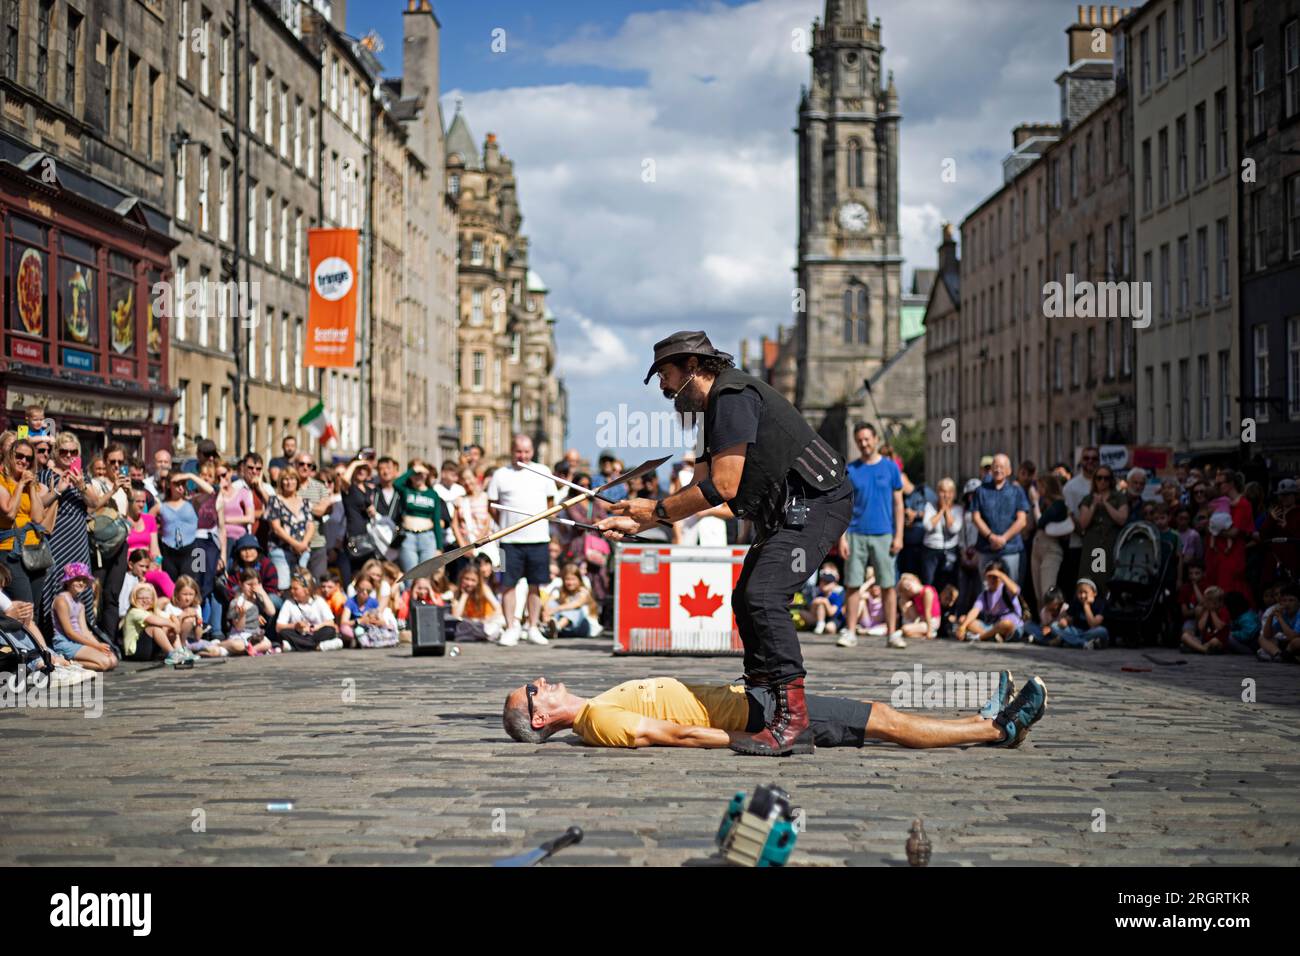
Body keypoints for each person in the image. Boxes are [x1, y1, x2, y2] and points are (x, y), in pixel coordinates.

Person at [597, 330, 853, 757]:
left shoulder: (732, 395)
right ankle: (764, 703)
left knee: (764, 595)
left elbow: (724, 486)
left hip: (818, 502)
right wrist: (635, 519)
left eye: (665, 374)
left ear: (692, 368)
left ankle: (794, 722)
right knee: (744, 598)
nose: (662, 386)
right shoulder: (711, 414)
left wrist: (655, 510)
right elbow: (698, 487)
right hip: (788, 510)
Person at [501, 671, 1048, 750]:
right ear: (540, 717)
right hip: (758, 721)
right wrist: (754, 741)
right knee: (882, 719)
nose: (540, 682)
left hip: (754, 705)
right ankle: (996, 727)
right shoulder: (597, 721)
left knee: (877, 717)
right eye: (532, 691)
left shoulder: (594, 710)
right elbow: (672, 734)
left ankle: (984, 723)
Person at [838, 422, 904, 649]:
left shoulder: (890, 467)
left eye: (867, 439)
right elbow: (844, 505)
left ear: (876, 439)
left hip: (884, 533)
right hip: (856, 532)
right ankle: (851, 631)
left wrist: (899, 535)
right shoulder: (852, 470)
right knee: (853, 583)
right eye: (860, 441)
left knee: (888, 584)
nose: (864, 444)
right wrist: (842, 537)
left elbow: (898, 504)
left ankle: (892, 633)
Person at [486, 434, 556, 647]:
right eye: (519, 451)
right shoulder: (500, 474)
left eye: (526, 452)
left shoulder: (543, 472)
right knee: (507, 585)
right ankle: (511, 628)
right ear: (512, 451)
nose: (522, 456)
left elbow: (551, 503)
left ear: (532, 452)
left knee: (535, 585)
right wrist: (507, 526)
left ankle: (533, 627)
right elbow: (493, 506)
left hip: (539, 539)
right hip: (508, 541)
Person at [36, 431, 102, 633]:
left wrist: (81, 485)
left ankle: (81, 630)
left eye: (73, 452)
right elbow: (39, 504)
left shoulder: (82, 475)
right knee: (54, 578)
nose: (69, 455)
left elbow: (94, 504)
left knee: (80, 579)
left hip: (77, 535)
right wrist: (59, 488)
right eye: (64, 451)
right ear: (56, 452)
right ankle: (52, 632)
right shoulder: (46, 475)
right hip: (55, 533)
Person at [0, 438, 50, 607]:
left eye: (28, 459)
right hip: (10, 551)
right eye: (19, 456)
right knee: (24, 607)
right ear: (9, 455)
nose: (23, 461)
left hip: (34, 552)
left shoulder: (31, 484)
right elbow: (9, 514)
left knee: (32, 610)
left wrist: (31, 487)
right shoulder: (2, 480)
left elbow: (37, 518)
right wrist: (20, 485)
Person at [970, 453, 1030, 585]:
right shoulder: (980, 491)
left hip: (1011, 548)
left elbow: (1022, 520)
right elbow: (975, 517)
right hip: (986, 548)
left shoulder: (1017, 491)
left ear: (1009, 470)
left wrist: (1003, 538)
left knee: (1012, 587)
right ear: (991, 469)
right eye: (995, 466)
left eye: (1002, 467)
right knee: (986, 589)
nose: (998, 470)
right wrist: (991, 536)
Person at [49, 563, 117, 672]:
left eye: (84, 580)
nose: (81, 583)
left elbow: (84, 631)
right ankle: (66, 662)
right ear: (68, 581)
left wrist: (98, 644)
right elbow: (69, 632)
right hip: (65, 642)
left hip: (79, 642)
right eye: (77, 579)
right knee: (104, 663)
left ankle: (72, 662)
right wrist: (96, 646)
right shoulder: (61, 600)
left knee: (113, 661)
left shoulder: (80, 604)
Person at [1076, 465, 1128, 597]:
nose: (1103, 481)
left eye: (1106, 478)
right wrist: (1094, 505)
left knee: (1108, 577)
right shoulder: (1088, 499)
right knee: (1091, 578)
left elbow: (1122, 519)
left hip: (1110, 544)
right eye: (1099, 478)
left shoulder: (1119, 497)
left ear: (1111, 480)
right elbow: (1083, 523)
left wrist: (1106, 504)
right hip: (1093, 545)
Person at [266, 469, 315, 590]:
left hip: (302, 551)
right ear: (281, 482)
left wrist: (303, 544)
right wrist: (295, 544)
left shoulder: (305, 501)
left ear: (297, 481)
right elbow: (276, 528)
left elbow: (311, 525)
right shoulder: (275, 500)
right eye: (285, 479)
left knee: (302, 587)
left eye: (292, 479)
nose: (289, 482)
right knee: (284, 586)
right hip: (281, 551)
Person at [956, 560, 1026, 643]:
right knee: (963, 619)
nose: (992, 580)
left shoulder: (1006, 589)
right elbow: (975, 610)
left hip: (1011, 627)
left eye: (995, 577)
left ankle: (982, 637)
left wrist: (1000, 574)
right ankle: (991, 636)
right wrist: (963, 626)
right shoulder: (984, 594)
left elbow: (1015, 591)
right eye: (990, 576)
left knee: (1005, 624)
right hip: (992, 626)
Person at [1061, 447, 1100, 592]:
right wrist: (1084, 535)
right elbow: (1070, 515)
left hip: (1099, 547)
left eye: (1094, 458)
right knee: (1080, 585)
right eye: (1086, 458)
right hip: (1078, 545)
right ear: (1081, 461)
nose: (1090, 461)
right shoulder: (1071, 486)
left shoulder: (1105, 482)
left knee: (1098, 580)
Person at [1029, 473, 1071, 607]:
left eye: (1040, 487)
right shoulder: (1045, 504)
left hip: (1050, 549)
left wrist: (1035, 502)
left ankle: (1052, 623)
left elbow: (1041, 522)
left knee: (1047, 590)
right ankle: (1043, 623)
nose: (1037, 490)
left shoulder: (1058, 504)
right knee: (1037, 593)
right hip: (1037, 547)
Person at [120, 582, 188, 664]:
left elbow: (171, 616)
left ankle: (180, 651)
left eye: (148, 598)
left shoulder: (151, 611)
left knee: (168, 628)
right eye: (141, 598)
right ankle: (172, 654)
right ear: (134, 599)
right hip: (134, 653)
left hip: (148, 651)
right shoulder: (134, 612)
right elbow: (154, 620)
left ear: (153, 600)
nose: (145, 601)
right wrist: (173, 624)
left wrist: (175, 624)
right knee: (154, 628)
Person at [397, 464, 447, 574]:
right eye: (415, 475)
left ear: (426, 476)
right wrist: (412, 470)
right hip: (408, 536)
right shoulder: (406, 490)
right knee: (410, 574)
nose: (417, 477)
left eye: (421, 474)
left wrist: (439, 547)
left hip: (427, 537)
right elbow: (396, 483)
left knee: (425, 575)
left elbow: (437, 521)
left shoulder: (433, 494)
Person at [276, 573, 343, 651]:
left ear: (306, 590)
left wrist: (316, 627)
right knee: (283, 632)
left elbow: (330, 622)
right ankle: (317, 646)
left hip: (315, 634)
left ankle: (296, 647)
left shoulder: (318, 600)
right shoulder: (289, 603)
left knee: (330, 630)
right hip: (299, 634)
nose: (292, 591)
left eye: (295, 589)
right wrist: (295, 626)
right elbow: (278, 627)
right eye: (291, 588)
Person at [920, 477, 963, 593]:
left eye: (949, 492)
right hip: (931, 550)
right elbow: (928, 526)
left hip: (950, 550)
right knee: (929, 583)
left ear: (953, 494)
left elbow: (954, 528)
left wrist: (947, 510)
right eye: (943, 491)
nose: (946, 495)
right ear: (938, 492)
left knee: (949, 584)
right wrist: (940, 511)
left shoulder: (958, 509)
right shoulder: (930, 507)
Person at [225, 569, 277, 656]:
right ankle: (243, 648)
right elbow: (238, 627)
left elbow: (272, 612)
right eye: (249, 584)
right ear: (241, 584)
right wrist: (242, 615)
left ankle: (251, 649)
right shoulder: (237, 602)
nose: (252, 587)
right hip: (241, 635)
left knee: (267, 643)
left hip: (255, 636)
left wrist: (262, 592)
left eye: (255, 584)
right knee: (239, 645)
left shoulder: (258, 597)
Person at [541, 563, 599, 639]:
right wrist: (547, 614)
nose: (570, 583)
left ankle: (557, 627)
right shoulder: (560, 590)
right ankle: (549, 626)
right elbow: (548, 602)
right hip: (566, 630)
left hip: (583, 627)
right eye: (567, 579)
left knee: (575, 609)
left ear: (579, 579)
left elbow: (576, 604)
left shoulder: (583, 592)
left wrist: (556, 609)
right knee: (552, 603)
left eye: (573, 579)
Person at [1048, 578, 1110, 649]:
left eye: (1085, 592)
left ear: (1094, 593)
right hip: (1076, 631)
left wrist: (1086, 605)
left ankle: (1069, 641)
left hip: (1090, 632)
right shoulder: (1076, 602)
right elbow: (1069, 617)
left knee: (1103, 631)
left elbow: (1093, 624)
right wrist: (1065, 621)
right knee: (1054, 626)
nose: (1082, 596)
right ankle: (1084, 643)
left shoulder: (1100, 603)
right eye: (1080, 592)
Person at [341, 575, 399, 648]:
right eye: (361, 590)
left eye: (368, 591)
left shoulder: (373, 602)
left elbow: (382, 621)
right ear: (356, 588)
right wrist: (359, 621)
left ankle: (366, 641)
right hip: (356, 629)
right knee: (344, 628)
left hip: (371, 629)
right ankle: (360, 640)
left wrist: (374, 621)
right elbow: (343, 622)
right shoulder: (350, 602)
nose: (365, 593)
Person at [450, 564, 504, 642]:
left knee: (499, 621)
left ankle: (480, 635)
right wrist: (465, 595)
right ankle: (479, 635)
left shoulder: (484, 589)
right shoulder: (457, 593)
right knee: (461, 624)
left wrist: (485, 620)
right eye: (466, 579)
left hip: (485, 623)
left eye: (473, 580)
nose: (469, 583)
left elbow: (498, 609)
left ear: (478, 581)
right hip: (470, 623)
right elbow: (456, 616)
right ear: (461, 578)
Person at [898, 471, 937, 580]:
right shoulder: (901, 497)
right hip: (908, 545)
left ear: (904, 478)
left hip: (924, 544)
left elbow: (937, 512)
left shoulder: (924, 492)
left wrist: (917, 514)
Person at [896, 572, 940, 640]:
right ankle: (922, 634)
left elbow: (928, 612)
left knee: (905, 629)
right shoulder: (915, 596)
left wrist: (929, 631)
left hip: (931, 622)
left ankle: (931, 632)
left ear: (916, 580)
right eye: (905, 590)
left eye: (908, 585)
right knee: (907, 632)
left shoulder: (927, 591)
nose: (908, 589)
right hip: (921, 620)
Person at [809, 567, 846, 635]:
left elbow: (832, 612)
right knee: (804, 612)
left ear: (834, 584)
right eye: (822, 581)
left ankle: (841, 628)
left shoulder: (836, 596)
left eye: (827, 582)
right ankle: (820, 624)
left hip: (835, 618)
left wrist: (825, 601)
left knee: (829, 628)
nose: (823, 584)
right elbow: (812, 610)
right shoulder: (819, 594)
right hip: (822, 618)